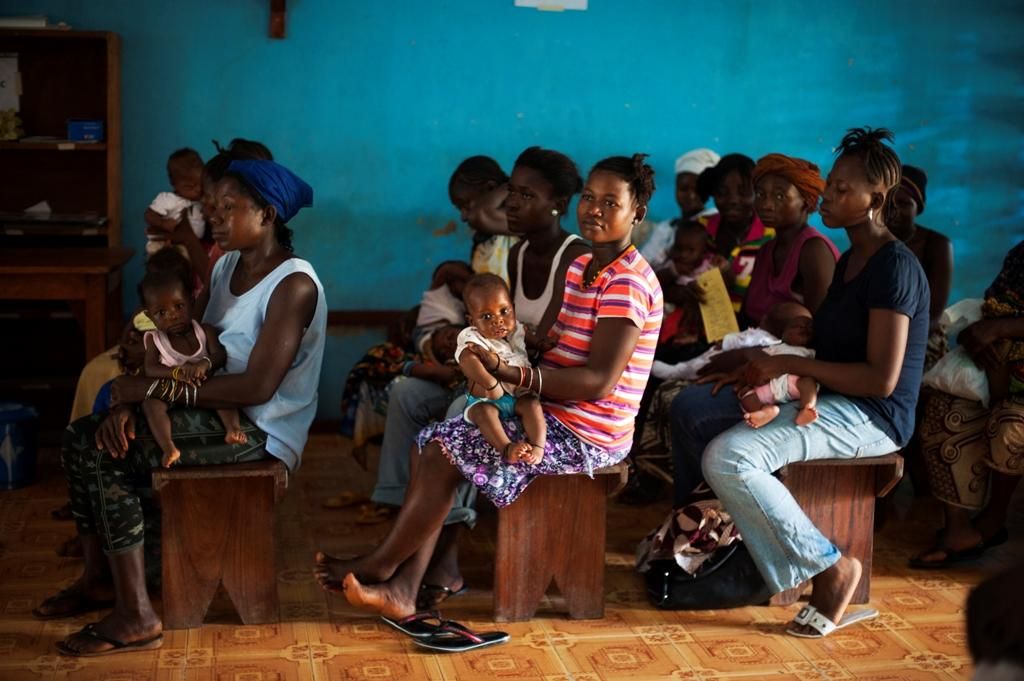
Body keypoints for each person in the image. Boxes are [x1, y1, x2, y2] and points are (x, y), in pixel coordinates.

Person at [314, 153, 663, 626]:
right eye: (589, 197)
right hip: (554, 407)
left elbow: (599, 381)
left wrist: (514, 374)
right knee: (432, 443)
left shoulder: (627, 282)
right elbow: (554, 340)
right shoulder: (584, 264)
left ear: (637, 213)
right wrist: (505, 351)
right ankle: (405, 585)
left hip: (589, 431)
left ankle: (387, 570)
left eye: (610, 202)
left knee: (443, 449)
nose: (594, 210)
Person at [35, 159, 326, 657]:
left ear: (268, 214)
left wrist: (152, 392)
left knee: (97, 449)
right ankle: (100, 579)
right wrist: (133, 400)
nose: (214, 218)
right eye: (212, 208)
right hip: (211, 407)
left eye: (228, 208)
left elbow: (258, 387)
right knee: (87, 432)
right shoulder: (229, 266)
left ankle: (136, 615)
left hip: (258, 430)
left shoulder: (293, 285)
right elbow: (187, 349)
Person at [669, 127, 929, 638]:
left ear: (876, 200)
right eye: (831, 184)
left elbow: (881, 379)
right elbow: (826, 349)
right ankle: (717, 547)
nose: (826, 196)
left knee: (730, 457)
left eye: (841, 190)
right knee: (696, 409)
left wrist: (791, 367)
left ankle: (831, 569)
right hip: (830, 397)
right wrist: (760, 367)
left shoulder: (894, 268)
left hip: (874, 416)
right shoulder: (852, 259)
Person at [358, 148, 587, 607]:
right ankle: (404, 516)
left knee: (461, 413)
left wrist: (486, 368)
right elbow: (500, 327)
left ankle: (442, 560)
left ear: (557, 204)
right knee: (407, 393)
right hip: (503, 373)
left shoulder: (574, 259)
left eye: (524, 195)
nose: (513, 203)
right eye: (512, 194)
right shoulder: (517, 254)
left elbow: (545, 346)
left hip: (541, 391)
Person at [910, 239, 1023, 569]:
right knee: (945, 408)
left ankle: (994, 519)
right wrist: (979, 337)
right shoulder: (1020, 255)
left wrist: (1001, 328)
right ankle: (957, 528)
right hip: (1004, 368)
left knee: (1010, 426)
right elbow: (991, 306)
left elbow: (997, 321)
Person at [137, 268, 246, 468]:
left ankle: (233, 428)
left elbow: (220, 355)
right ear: (149, 316)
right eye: (161, 313)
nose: (173, 316)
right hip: (172, 391)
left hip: (205, 388)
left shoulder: (205, 331)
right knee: (151, 405)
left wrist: (205, 363)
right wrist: (176, 372)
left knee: (224, 390)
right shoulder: (155, 340)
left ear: (192, 300)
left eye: (179, 306)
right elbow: (150, 368)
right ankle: (169, 447)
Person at [741, 153, 839, 326]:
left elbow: (822, 327)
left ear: (806, 202)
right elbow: (746, 317)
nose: (766, 205)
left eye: (780, 196)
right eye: (760, 194)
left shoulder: (814, 251)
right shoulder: (766, 250)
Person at [457, 274, 545, 464]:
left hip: (519, 395)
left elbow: (527, 337)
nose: (498, 321)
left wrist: (540, 344)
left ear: (513, 308)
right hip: (487, 397)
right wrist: (490, 383)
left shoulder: (517, 329)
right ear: (472, 321)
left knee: (532, 405)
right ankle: (506, 448)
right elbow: (466, 360)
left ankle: (538, 448)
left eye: (504, 311)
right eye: (486, 316)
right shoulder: (472, 337)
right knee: (483, 413)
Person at [886, 164, 953, 362]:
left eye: (904, 204)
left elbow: (933, 315)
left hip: (921, 336)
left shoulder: (936, 245)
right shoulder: (871, 243)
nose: (894, 211)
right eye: (889, 203)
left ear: (918, 208)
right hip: (877, 332)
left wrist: (890, 342)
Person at [696, 153, 775, 315]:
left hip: (750, 325)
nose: (732, 200)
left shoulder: (771, 236)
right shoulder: (701, 228)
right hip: (703, 320)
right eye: (722, 192)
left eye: (743, 192)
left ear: (757, 193)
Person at [733, 303, 817, 428]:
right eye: (797, 326)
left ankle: (807, 407)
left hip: (793, 384)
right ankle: (766, 411)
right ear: (784, 334)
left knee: (808, 382)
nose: (804, 329)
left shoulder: (810, 352)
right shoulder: (776, 347)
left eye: (809, 328)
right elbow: (758, 361)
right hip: (767, 386)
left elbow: (811, 368)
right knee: (746, 397)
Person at [640, 148, 720, 270]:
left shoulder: (714, 222)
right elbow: (641, 265)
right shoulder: (666, 227)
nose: (691, 195)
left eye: (697, 189)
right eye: (683, 188)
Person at [448, 156, 518, 282]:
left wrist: (514, 184)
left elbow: (480, 214)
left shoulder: (520, 219)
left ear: (491, 188)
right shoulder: (487, 236)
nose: (463, 217)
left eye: (466, 206)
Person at [654, 220, 720, 350]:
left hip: (696, 315)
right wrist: (674, 271)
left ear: (703, 251)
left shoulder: (709, 266)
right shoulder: (672, 264)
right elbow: (656, 282)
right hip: (670, 311)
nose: (683, 255)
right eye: (679, 249)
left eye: (691, 250)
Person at [144, 148, 205, 259]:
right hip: (163, 244)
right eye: (190, 187)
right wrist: (162, 223)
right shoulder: (168, 199)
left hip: (190, 247)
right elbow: (149, 214)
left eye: (201, 184)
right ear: (174, 184)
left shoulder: (202, 201)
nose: (198, 190)